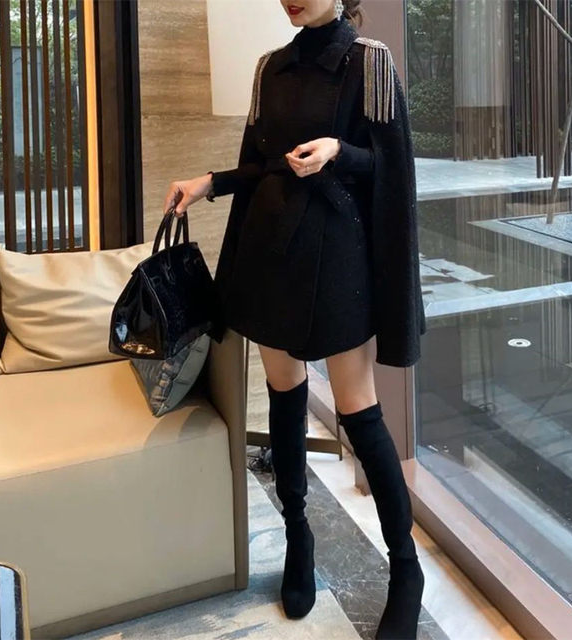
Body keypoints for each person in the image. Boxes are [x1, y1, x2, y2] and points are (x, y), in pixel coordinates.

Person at [163, 1, 426, 638]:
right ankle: (298, 536)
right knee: (284, 395)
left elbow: (393, 167)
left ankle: (406, 569)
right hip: (271, 252)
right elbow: (265, 166)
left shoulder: (370, 63)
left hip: (339, 260)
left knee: (359, 410)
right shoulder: (270, 68)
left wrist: (341, 150)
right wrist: (211, 181)